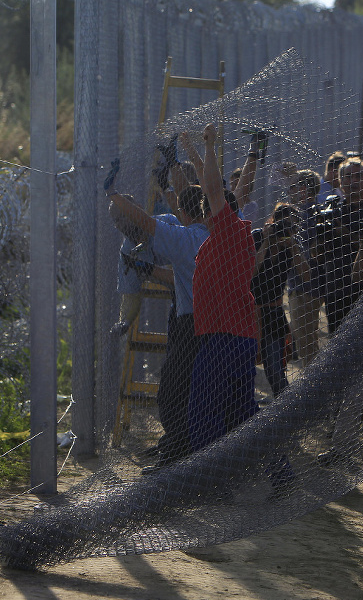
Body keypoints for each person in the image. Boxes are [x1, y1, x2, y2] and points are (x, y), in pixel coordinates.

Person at [106, 173, 210, 470]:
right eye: (117, 221)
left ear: (138, 210)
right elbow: (130, 293)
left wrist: (149, 270)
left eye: (125, 215)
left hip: (198, 306)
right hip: (183, 308)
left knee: (178, 387)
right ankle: (179, 442)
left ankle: (181, 447)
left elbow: (189, 271)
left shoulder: (169, 226)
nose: (122, 224)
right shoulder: (128, 248)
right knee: (176, 383)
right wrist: (125, 321)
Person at [181, 124, 262, 452]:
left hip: (223, 339)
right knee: (244, 413)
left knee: (203, 413)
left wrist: (211, 145)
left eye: (210, 210)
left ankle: (208, 479)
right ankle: (280, 473)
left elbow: (214, 190)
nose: (205, 213)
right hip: (238, 338)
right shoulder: (227, 238)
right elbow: (210, 187)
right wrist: (192, 151)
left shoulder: (230, 234)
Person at [321, 157, 363, 334]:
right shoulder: (332, 210)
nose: (353, 181)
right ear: (340, 181)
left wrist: (345, 233)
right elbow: (317, 251)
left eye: (358, 177)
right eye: (348, 177)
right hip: (336, 287)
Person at [252, 202, 312, 396]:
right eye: (282, 224)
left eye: (291, 227)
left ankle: (285, 409)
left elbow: (306, 276)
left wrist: (294, 247)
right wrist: (267, 241)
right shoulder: (257, 236)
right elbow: (251, 271)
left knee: (275, 371)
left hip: (274, 314)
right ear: (272, 221)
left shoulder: (291, 246)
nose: (285, 230)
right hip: (250, 312)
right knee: (244, 370)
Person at [287, 169, 326, 367]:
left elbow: (307, 252)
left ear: (303, 189)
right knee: (306, 340)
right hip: (309, 285)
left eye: (293, 186)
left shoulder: (305, 214)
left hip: (305, 287)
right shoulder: (313, 211)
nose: (289, 190)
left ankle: (316, 386)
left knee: (306, 344)